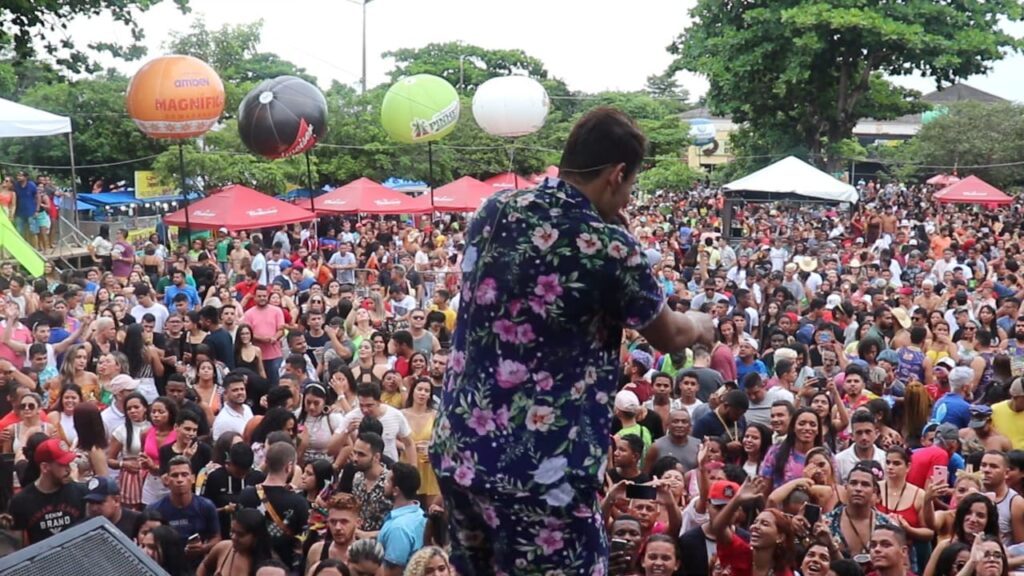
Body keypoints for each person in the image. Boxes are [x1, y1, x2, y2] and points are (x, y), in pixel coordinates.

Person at [429, 108, 714, 575]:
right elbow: (669, 334)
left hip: (461, 450)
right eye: (629, 184)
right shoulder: (608, 246)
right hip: (543, 470)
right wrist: (702, 322)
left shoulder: (493, 210)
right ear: (617, 173)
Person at [237, 440, 309, 572]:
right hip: (282, 569)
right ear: (289, 466)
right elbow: (302, 542)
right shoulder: (299, 502)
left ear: (267, 463)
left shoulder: (246, 494)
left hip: (247, 567)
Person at [8, 438, 88, 545]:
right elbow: (16, 546)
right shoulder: (21, 501)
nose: (68, 469)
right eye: (62, 464)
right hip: (42, 559)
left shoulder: (81, 492)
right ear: (45, 467)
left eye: (69, 463)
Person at [146, 454, 221, 565]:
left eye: (184, 475)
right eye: (175, 475)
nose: (180, 480)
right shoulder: (154, 509)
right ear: (166, 479)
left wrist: (203, 548)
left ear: (193, 478)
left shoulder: (206, 506)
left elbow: (216, 538)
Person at [378, 462, 427, 575]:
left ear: (396, 491)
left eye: (387, 481)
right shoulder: (419, 513)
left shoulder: (398, 528)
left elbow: (393, 572)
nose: (383, 484)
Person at [197, 508, 275, 576]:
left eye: (240, 535)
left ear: (256, 537)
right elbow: (204, 566)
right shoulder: (223, 548)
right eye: (232, 531)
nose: (233, 537)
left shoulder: (268, 568)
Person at [306, 493, 360, 574]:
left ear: (358, 523)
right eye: (333, 521)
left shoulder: (366, 556)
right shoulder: (317, 551)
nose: (337, 527)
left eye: (344, 522)